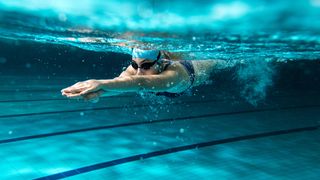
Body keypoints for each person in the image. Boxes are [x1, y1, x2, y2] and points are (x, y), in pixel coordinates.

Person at [61, 47, 225, 102]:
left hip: (209, 65)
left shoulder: (175, 74)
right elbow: (120, 84)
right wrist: (95, 94)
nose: (138, 71)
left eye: (146, 65)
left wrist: (99, 83)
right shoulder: (136, 70)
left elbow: (141, 83)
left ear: (161, 62)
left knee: (225, 63)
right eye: (134, 64)